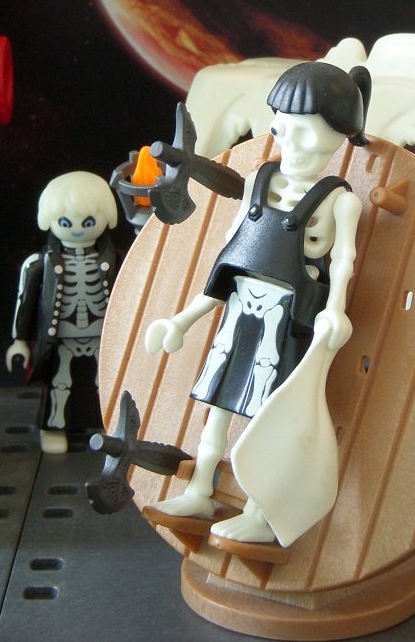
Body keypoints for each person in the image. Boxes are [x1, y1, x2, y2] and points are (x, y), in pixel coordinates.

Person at [145, 61, 370, 545]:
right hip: (240, 307)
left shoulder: (340, 201)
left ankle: (260, 511)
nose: (291, 143)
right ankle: (199, 490)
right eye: (282, 128)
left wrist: (335, 308)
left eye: (306, 132)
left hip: (289, 318)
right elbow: (232, 254)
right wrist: (182, 320)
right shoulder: (257, 181)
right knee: (218, 402)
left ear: (338, 136)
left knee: (272, 418)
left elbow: (345, 261)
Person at [6, 172, 118, 454]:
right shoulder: (40, 264)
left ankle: (107, 425)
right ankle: (53, 427)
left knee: (104, 383)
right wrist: (20, 341)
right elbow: (25, 302)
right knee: (59, 381)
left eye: (88, 222)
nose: (78, 229)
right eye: (66, 223)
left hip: (103, 337)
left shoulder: (114, 260)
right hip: (60, 338)